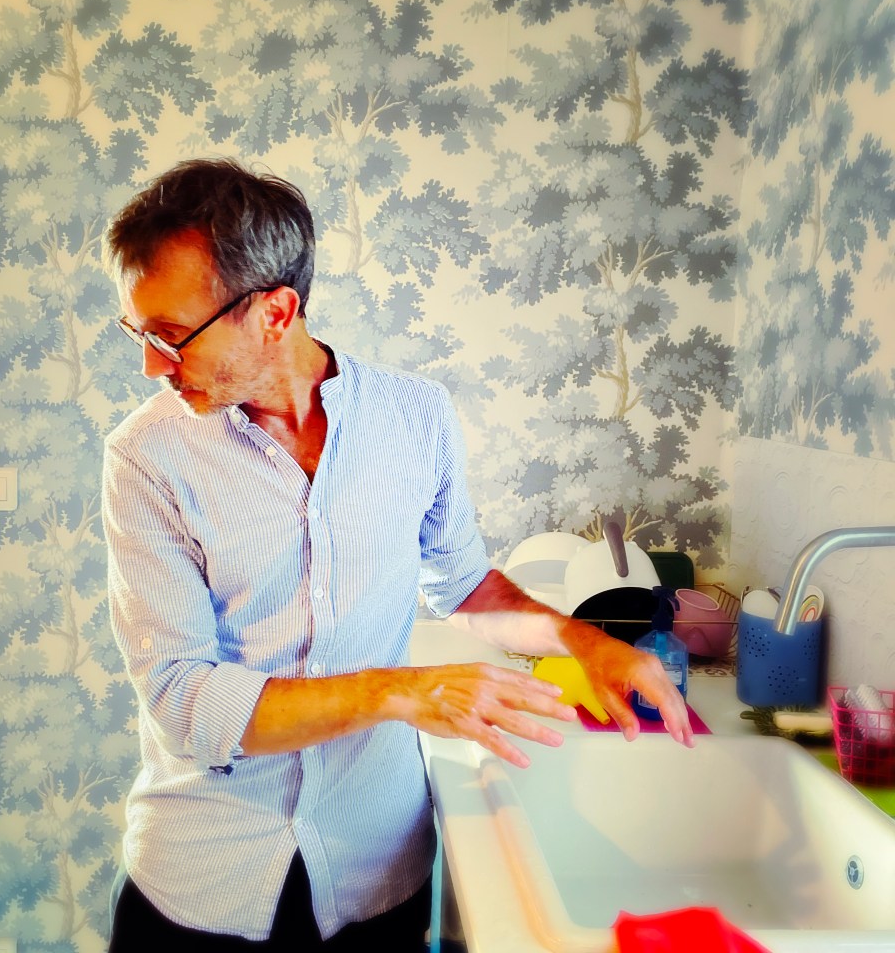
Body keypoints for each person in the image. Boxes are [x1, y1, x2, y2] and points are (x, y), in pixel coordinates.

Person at [101, 158, 694, 952]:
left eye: (172, 336)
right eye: (140, 334)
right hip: (202, 881)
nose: (151, 366)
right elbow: (182, 699)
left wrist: (585, 642)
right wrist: (397, 691)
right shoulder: (145, 456)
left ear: (276, 312)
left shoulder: (418, 417)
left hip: (377, 873)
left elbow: (463, 585)